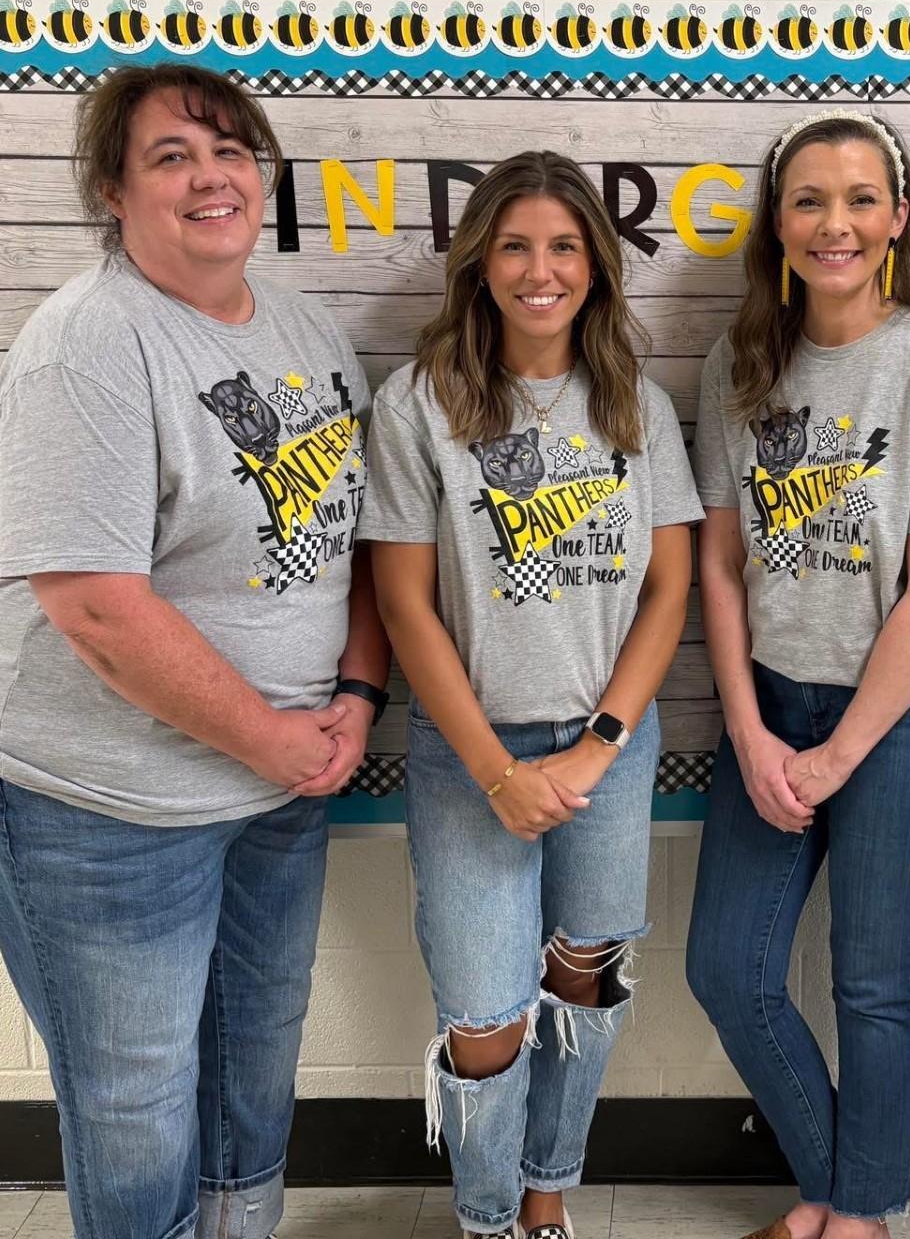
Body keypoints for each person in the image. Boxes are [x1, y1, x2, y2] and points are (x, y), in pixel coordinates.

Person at [0, 64, 389, 1239]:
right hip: (98, 797)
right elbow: (94, 608)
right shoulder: (88, 346)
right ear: (112, 191)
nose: (210, 177)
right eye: (171, 156)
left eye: (230, 151)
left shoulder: (300, 326)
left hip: (275, 777)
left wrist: (354, 692)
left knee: (254, 1052)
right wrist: (273, 737)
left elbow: (348, 540)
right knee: (133, 1096)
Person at [360, 151, 700, 1239]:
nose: (539, 270)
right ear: (478, 262)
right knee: (485, 1013)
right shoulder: (418, 404)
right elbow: (404, 603)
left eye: (563, 247)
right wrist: (499, 772)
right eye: (514, 246)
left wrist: (599, 744)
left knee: (584, 976)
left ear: (596, 265)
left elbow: (671, 584)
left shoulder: (636, 403)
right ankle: (486, 1214)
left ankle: (548, 1192)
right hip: (474, 751)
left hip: (609, 744)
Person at [684, 110, 910, 1239]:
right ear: (778, 223)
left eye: (862, 199)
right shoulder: (739, 364)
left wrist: (837, 756)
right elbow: (720, 565)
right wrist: (752, 731)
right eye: (810, 199)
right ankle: (836, 1184)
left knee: (873, 980)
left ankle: (858, 1219)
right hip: (773, 702)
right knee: (729, 968)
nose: (836, 223)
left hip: (907, 716)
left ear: (899, 218)